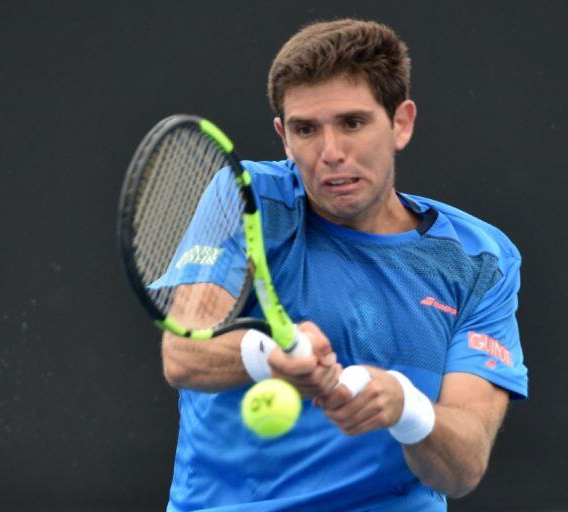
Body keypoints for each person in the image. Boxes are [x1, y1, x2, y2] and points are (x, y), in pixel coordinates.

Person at [157, 18, 528, 511]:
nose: (330, 153)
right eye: (306, 129)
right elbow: (183, 354)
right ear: (284, 138)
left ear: (401, 123)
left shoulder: (479, 259)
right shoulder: (248, 198)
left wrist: (406, 406)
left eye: (352, 123)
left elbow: (463, 468)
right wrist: (271, 354)